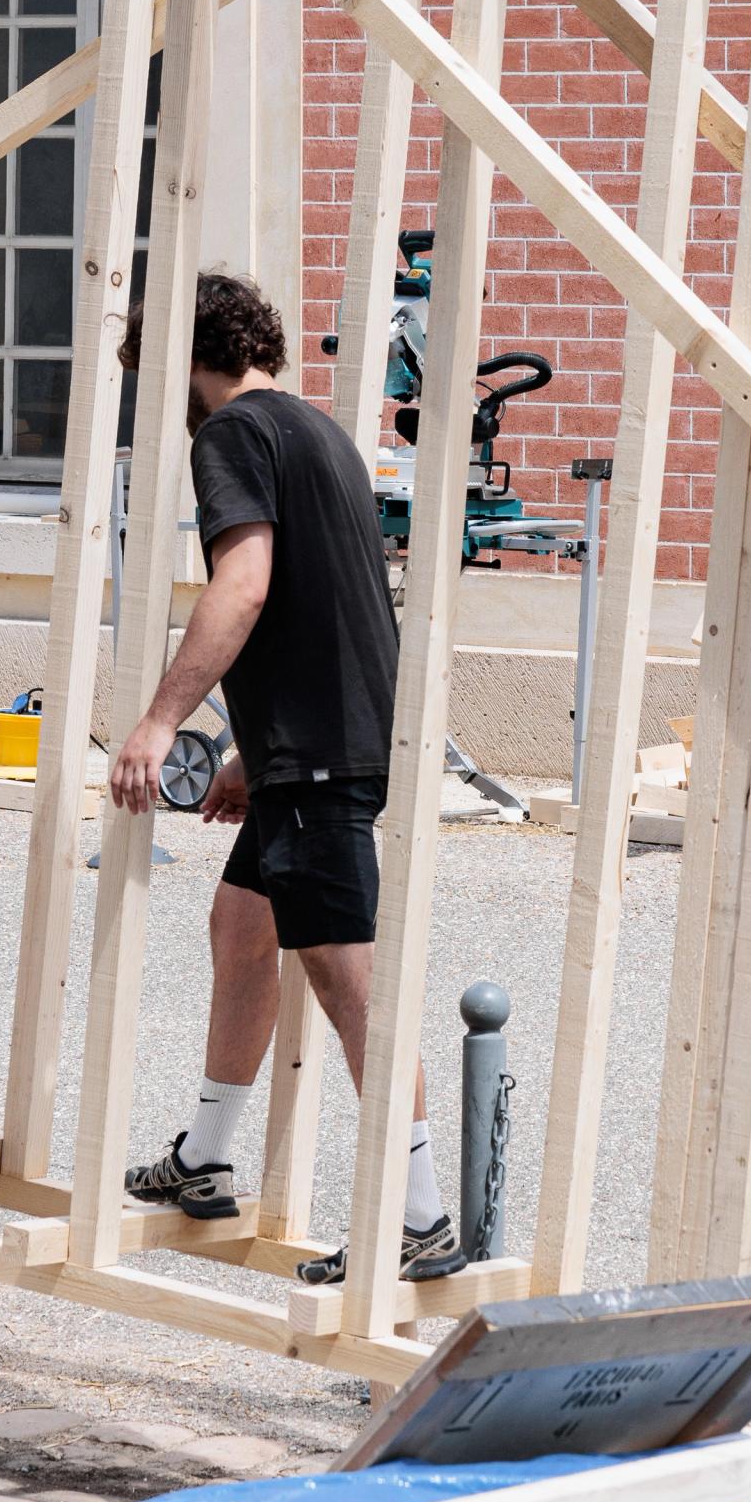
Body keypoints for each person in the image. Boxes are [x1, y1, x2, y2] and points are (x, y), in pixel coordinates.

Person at [108, 270, 457, 1284]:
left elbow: (247, 580)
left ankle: (418, 1218)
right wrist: (249, 755)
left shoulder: (225, 436)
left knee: (350, 982)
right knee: (241, 922)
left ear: (185, 360)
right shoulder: (314, 431)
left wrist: (163, 719)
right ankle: (207, 1158)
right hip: (314, 743)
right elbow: (331, 601)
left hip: (319, 755)